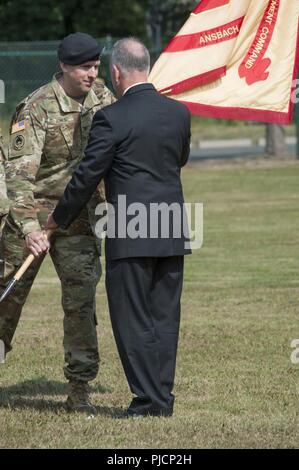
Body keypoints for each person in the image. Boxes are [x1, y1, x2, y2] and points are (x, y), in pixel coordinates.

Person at [44, 37, 191, 418]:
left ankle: (147, 401)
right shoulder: (179, 113)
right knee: (165, 318)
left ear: (115, 71)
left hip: (130, 226)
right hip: (172, 224)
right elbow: (180, 158)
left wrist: (57, 218)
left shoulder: (112, 117)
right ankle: (162, 398)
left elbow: (88, 175)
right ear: (148, 66)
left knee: (132, 318)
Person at [0, 32, 115, 414]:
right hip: (30, 218)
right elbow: (17, 175)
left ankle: (79, 388)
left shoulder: (103, 98)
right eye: (85, 67)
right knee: (6, 300)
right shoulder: (36, 107)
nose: (92, 74)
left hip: (78, 219)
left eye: (96, 66)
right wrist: (31, 228)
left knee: (81, 303)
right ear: (64, 66)